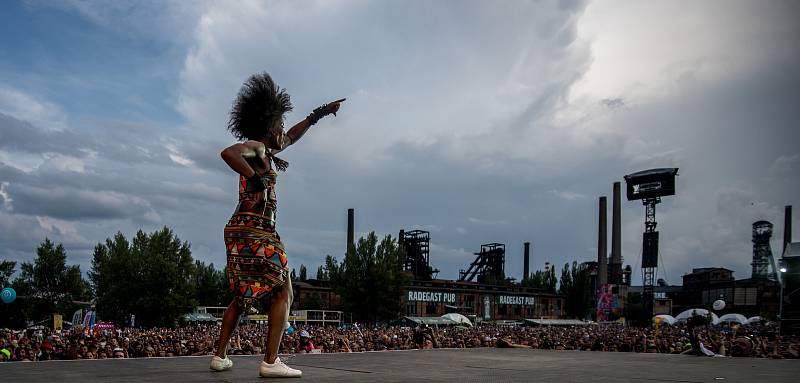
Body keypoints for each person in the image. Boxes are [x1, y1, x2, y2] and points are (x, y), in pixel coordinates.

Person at [210, 72, 343, 378]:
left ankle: (220, 357)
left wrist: (318, 114)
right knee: (284, 291)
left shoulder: (266, 151)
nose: (283, 130)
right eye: (279, 125)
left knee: (242, 296)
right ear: (269, 126)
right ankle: (270, 362)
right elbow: (228, 153)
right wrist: (256, 180)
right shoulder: (256, 148)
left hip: (242, 228)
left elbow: (293, 136)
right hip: (258, 230)